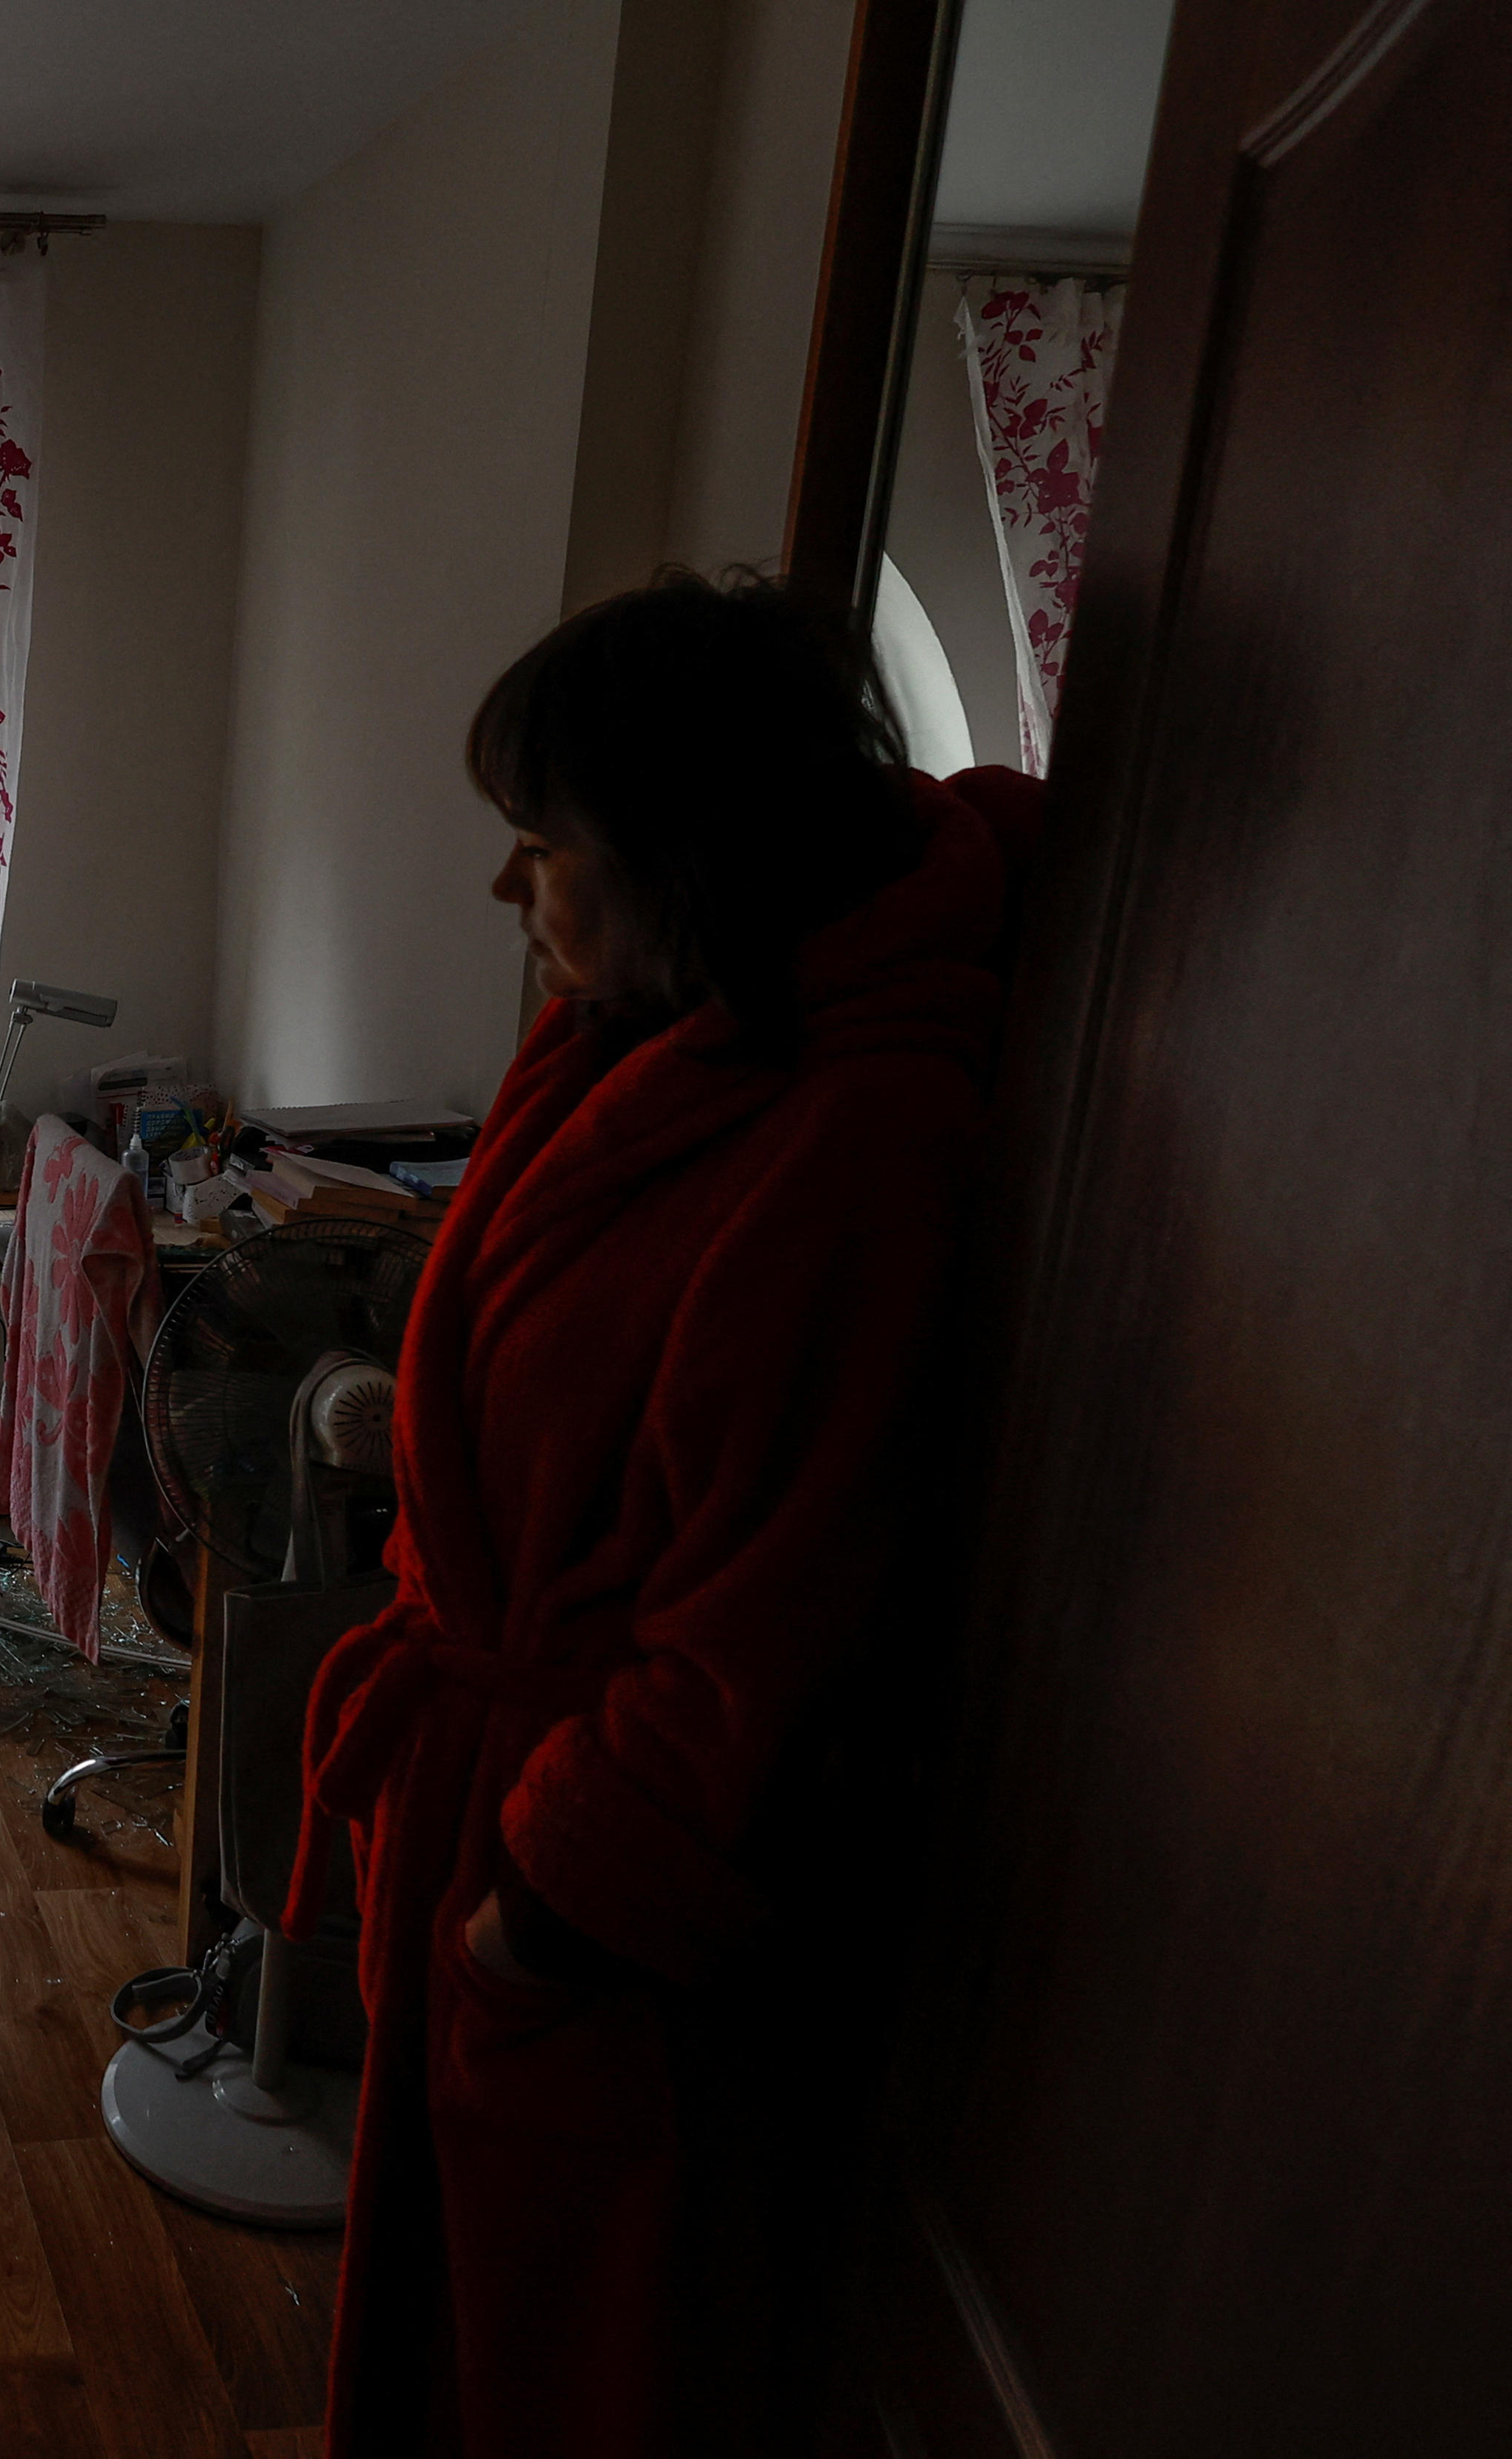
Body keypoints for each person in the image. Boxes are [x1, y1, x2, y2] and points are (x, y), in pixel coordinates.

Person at [281, 570, 1038, 2456]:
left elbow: (767, 1608)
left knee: (571, 2373)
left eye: (540, 845)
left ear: (691, 855)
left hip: (592, 1919)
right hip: (485, 1812)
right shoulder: (647, 1035)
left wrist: (536, 1915)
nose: (504, 891)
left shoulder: (855, 1137)